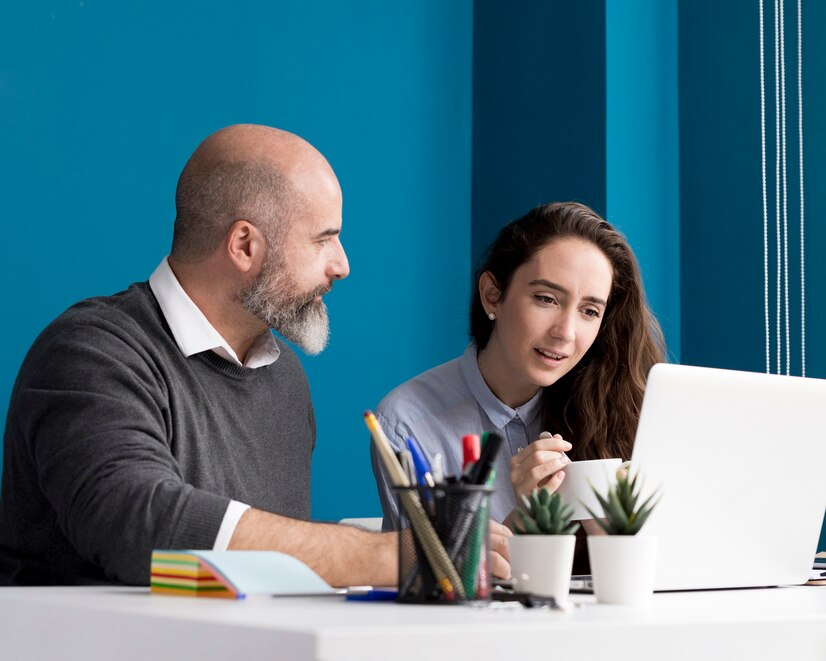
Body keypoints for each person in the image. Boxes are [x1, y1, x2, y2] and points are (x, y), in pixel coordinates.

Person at [0, 124, 408, 587]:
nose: (342, 265)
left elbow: (258, 579)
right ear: (244, 246)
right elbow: (135, 524)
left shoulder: (284, 377)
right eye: (322, 239)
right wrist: (380, 557)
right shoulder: (89, 352)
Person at [372, 202, 665, 570]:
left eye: (589, 311)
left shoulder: (619, 405)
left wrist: (618, 533)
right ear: (492, 295)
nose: (565, 333)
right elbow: (434, 583)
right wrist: (524, 518)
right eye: (546, 299)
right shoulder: (408, 424)